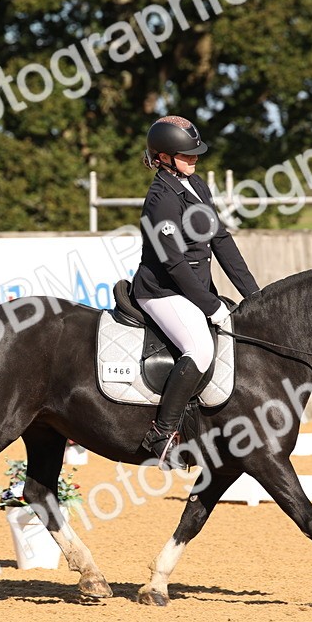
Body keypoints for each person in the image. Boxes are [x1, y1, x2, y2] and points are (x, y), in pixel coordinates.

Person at [132, 115, 260, 469]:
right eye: (186, 154)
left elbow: (220, 240)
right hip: (162, 291)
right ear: (163, 157)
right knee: (200, 348)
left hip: (194, 289)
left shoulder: (196, 185)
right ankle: (162, 434)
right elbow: (173, 263)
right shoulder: (160, 199)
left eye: (196, 153)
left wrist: (254, 295)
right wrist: (210, 305)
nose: (194, 158)